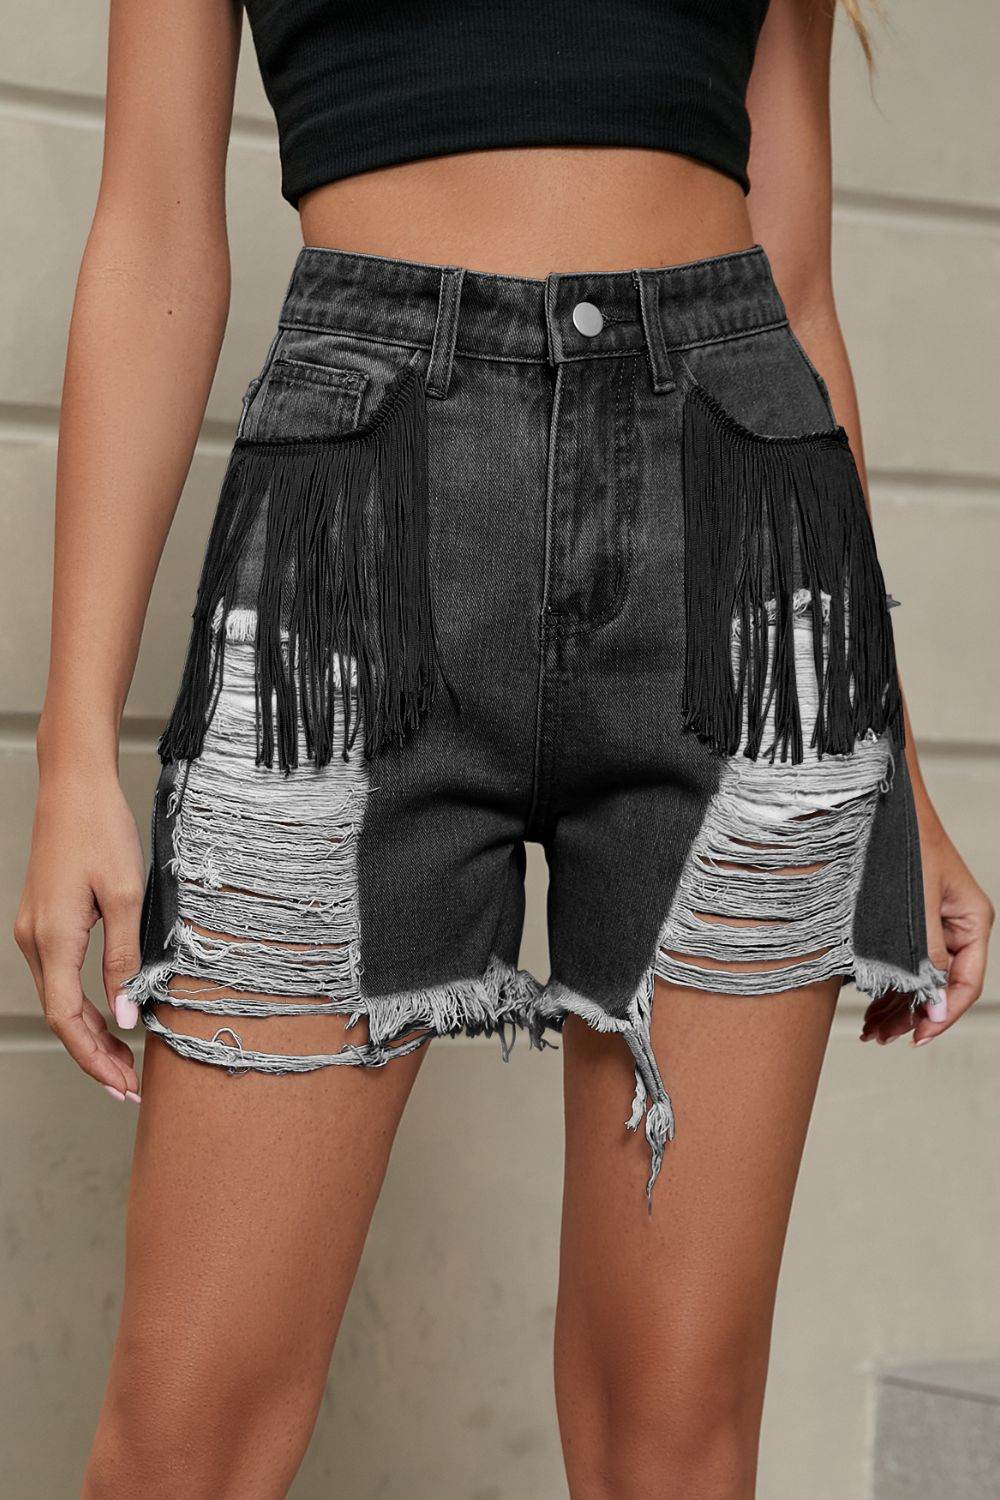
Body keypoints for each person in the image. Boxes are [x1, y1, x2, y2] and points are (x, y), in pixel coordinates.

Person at [14, 0, 993, 1494]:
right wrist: (72, 748)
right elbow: (154, 232)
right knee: (182, 1442)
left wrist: (903, 776)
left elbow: (796, 285)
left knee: (677, 1439)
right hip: (358, 528)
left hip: (739, 536)